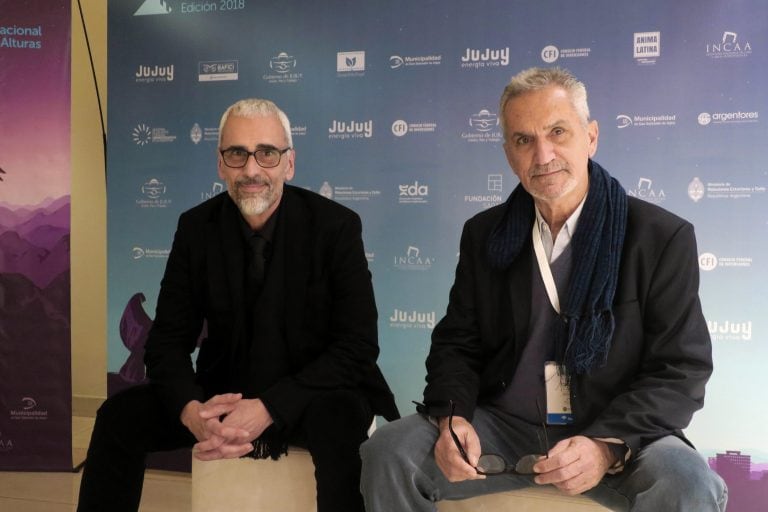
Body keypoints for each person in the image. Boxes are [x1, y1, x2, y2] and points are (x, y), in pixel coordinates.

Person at [360, 67, 727, 511]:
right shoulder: (485, 234)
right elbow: (458, 340)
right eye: (523, 140)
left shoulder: (659, 236)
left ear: (590, 137)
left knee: (687, 482)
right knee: (388, 452)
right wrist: (453, 416)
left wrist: (605, 445)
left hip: (615, 430)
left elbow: (680, 369)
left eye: (558, 132)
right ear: (507, 153)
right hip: (506, 423)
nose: (543, 154)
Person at [77, 98, 399, 512]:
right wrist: (191, 410)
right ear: (220, 164)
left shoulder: (336, 227)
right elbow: (167, 341)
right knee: (118, 417)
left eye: (266, 153)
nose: (251, 170)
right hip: (224, 389)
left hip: (315, 391)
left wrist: (269, 407)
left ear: (289, 163)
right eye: (237, 154)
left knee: (340, 423)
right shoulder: (196, 228)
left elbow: (357, 346)